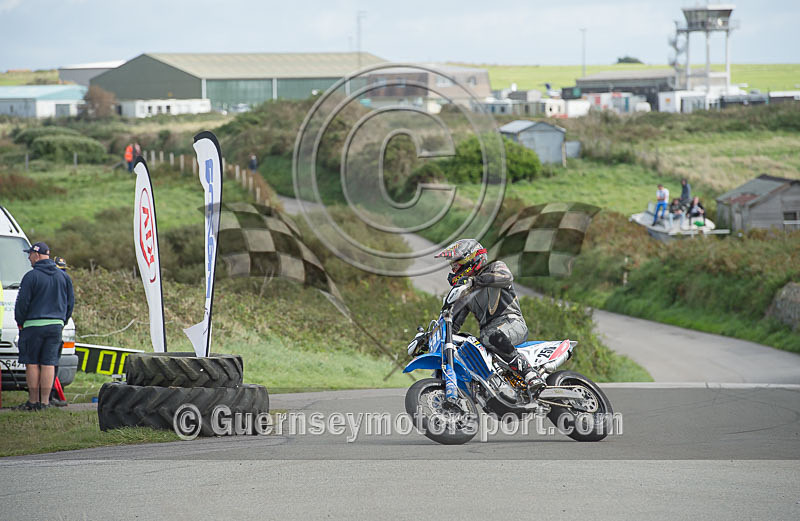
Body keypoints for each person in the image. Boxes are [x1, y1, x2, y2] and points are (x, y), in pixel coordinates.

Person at [434, 239, 544, 394]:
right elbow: (453, 323)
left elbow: (506, 277)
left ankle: (531, 374)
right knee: (467, 346)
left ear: (470, 260)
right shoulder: (467, 292)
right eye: (452, 264)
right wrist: (429, 338)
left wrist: (474, 281)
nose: (453, 268)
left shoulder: (495, 267)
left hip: (512, 322)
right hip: (490, 333)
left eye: (456, 263)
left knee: (489, 336)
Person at [14, 243, 74, 411]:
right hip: (55, 326)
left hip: (33, 325)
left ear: (37, 255)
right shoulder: (63, 277)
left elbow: (22, 303)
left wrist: (21, 322)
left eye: (30, 254)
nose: (28, 257)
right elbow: (70, 303)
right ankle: (45, 402)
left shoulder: (31, 276)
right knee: (49, 363)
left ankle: (33, 402)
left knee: (32, 363)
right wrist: (62, 321)